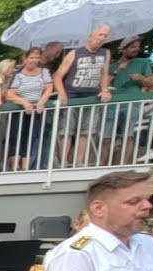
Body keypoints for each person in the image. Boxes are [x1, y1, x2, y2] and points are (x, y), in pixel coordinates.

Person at [53, 25, 112, 167]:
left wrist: (105, 90)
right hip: (72, 95)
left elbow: (104, 74)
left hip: (92, 95)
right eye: (100, 35)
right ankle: (63, 161)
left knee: (88, 130)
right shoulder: (75, 53)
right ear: (91, 35)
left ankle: (78, 160)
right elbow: (58, 75)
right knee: (66, 130)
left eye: (105, 36)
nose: (102, 38)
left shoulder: (105, 53)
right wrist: (62, 93)